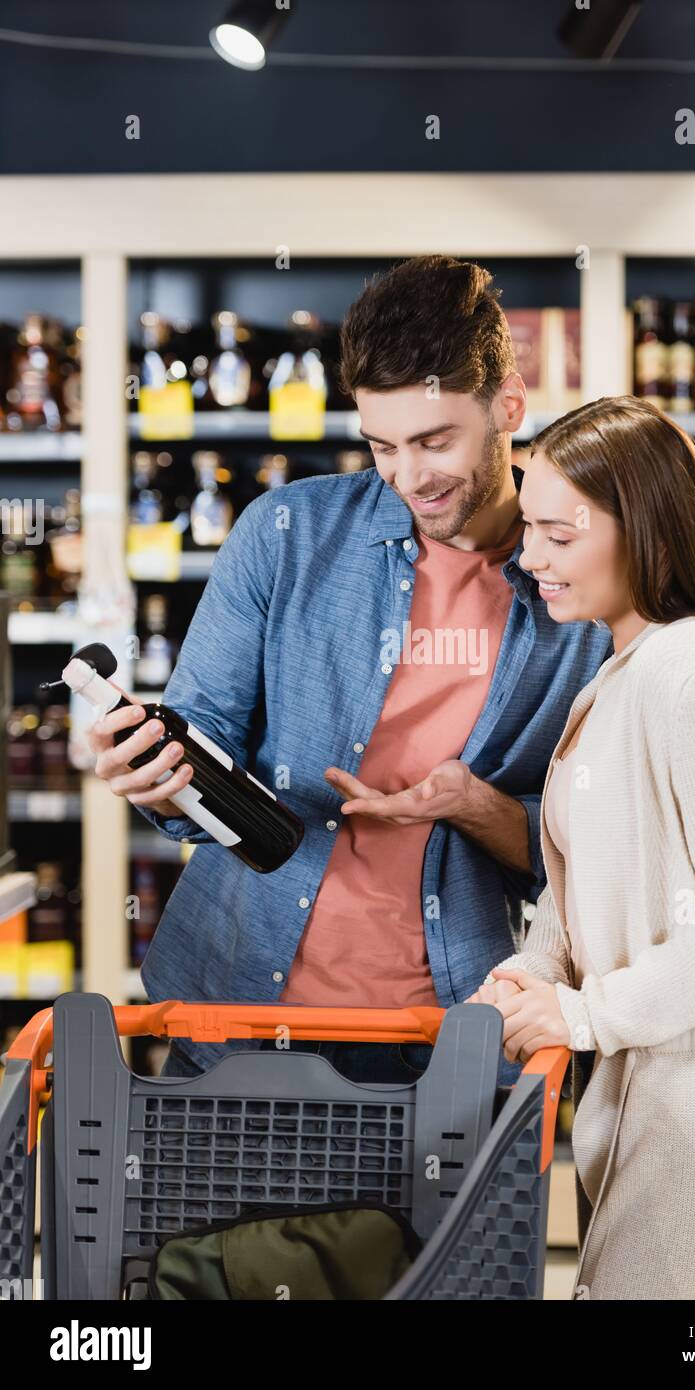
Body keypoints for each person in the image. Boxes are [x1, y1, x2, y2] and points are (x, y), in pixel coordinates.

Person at [86, 256, 611, 1084]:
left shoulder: (581, 589)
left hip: (451, 1030)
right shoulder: (284, 533)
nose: (408, 475)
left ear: (508, 406)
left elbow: (596, 855)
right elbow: (204, 750)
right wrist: (161, 779)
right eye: (381, 445)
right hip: (236, 1006)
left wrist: (476, 808)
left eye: (435, 441)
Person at [467, 395, 695, 1300]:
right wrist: (536, 968)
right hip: (651, 1103)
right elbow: (587, 868)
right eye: (529, 529)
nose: (529, 555)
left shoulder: (688, 670)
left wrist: (589, 1015)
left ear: (642, 528)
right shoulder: (623, 666)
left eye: (559, 533)